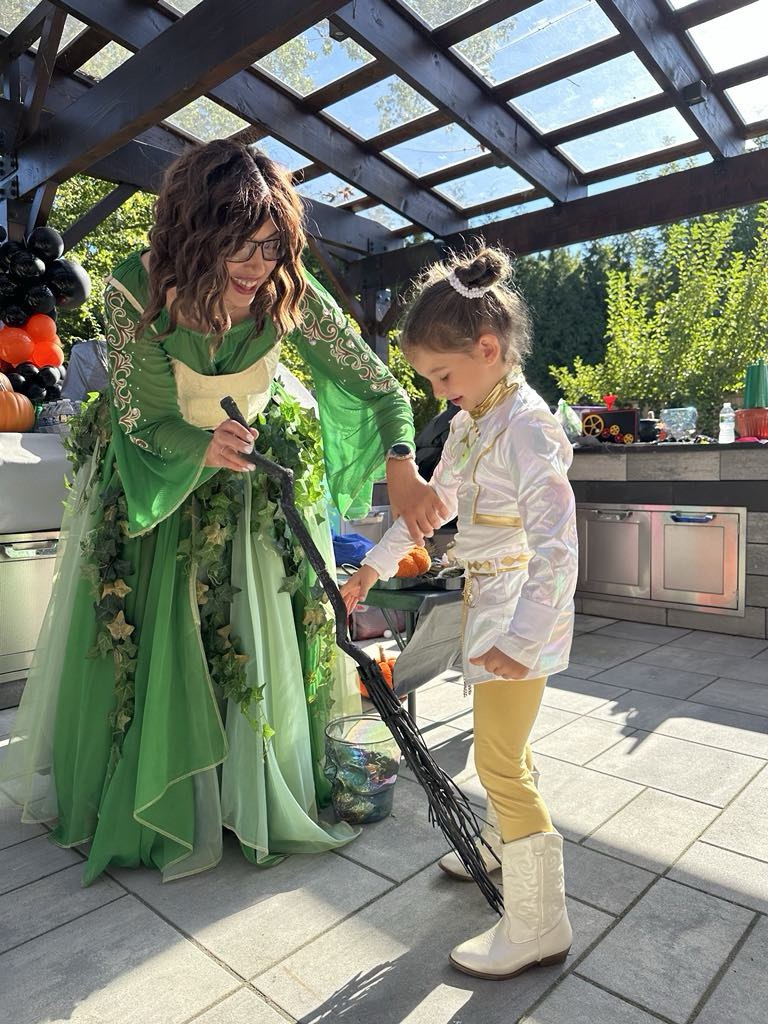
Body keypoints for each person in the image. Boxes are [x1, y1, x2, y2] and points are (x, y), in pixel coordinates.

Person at [1, 139, 445, 884]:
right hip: (156, 490)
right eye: (238, 242)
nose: (255, 264)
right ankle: (163, 802)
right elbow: (141, 419)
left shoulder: (287, 293)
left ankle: (245, 794)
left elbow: (380, 389)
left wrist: (401, 463)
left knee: (248, 643)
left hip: (248, 493)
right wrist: (200, 445)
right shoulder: (134, 290)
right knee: (154, 649)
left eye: (271, 245)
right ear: (193, 231)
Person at [341, 247, 578, 980]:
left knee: (499, 760)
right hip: (493, 605)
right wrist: (373, 568)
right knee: (508, 750)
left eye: (443, 377)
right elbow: (430, 509)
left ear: (487, 349)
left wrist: (525, 637)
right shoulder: (477, 420)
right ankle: (505, 847)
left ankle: (540, 923)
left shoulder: (526, 427)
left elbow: (558, 546)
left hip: (519, 611)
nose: (439, 393)